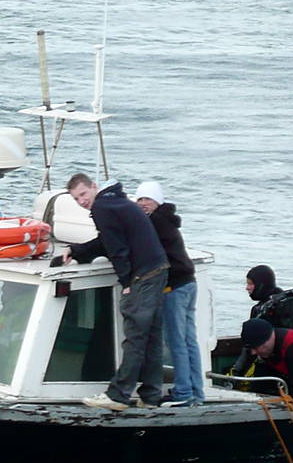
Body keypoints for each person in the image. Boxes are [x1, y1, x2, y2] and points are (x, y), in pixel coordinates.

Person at [60, 173, 169, 410]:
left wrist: (126, 282)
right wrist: (76, 250)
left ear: (94, 188)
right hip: (158, 269)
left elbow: (116, 249)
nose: (81, 201)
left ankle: (118, 395)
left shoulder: (102, 207)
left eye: (83, 194)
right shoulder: (117, 201)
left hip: (143, 275)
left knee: (136, 338)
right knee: (151, 337)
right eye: (76, 199)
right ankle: (151, 396)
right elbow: (107, 240)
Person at [135, 180, 204, 406]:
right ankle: (196, 392)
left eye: (148, 199)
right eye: (140, 199)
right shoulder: (167, 219)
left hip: (174, 287)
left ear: (158, 201)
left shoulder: (154, 222)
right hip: (189, 283)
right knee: (189, 341)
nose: (143, 203)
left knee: (176, 342)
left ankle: (183, 393)